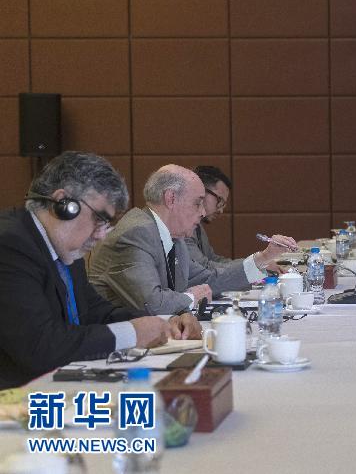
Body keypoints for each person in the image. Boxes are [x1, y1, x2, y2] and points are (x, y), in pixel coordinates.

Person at [0, 151, 201, 389]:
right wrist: (131, 333)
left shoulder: (65, 247)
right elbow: (40, 346)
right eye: (99, 218)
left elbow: (95, 312)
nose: (101, 235)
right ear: (63, 204)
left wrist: (166, 322)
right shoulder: (10, 245)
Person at [89, 164, 297, 315]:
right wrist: (191, 298)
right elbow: (152, 304)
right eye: (197, 203)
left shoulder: (174, 237)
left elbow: (209, 279)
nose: (203, 212)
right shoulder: (136, 233)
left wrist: (263, 257)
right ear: (171, 198)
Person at [186, 165, 233, 269]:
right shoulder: (180, 227)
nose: (221, 210)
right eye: (220, 201)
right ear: (200, 191)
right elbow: (203, 269)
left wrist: (256, 263)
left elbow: (212, 259)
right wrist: (255, 264)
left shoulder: (198, 225)